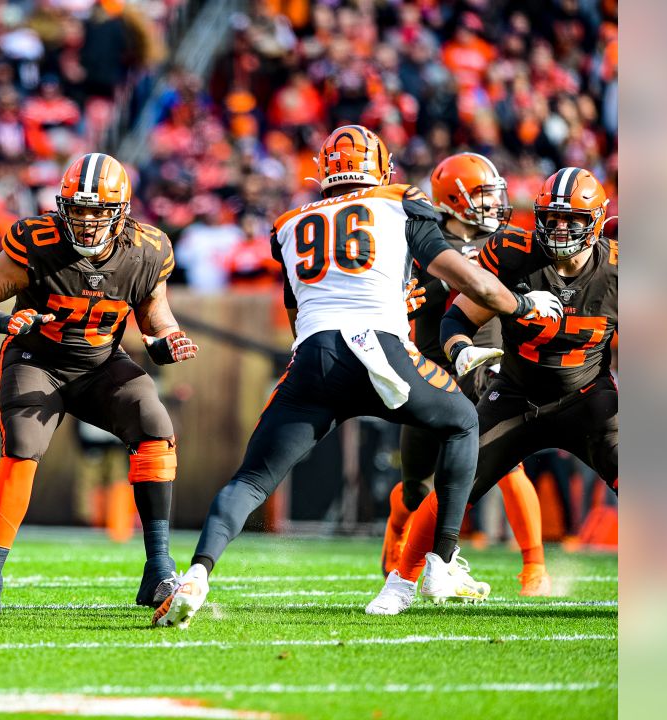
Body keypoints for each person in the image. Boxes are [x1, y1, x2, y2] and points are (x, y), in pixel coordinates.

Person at [153, 126, 564, 628]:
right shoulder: (398, 202)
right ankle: (441, 562)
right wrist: (522, 303)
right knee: (461, 423)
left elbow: (297, 308)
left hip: (314, 358)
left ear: (324, 171)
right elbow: (471, 280)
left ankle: (197, 573)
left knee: (252, 479)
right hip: (378, 350)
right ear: (380, 169)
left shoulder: (287, 224)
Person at [0, 152, 198, 617]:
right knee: (22, 445)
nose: (85, 222)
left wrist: (167, 340)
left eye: (97, 211)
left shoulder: (148, 249)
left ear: (120, 211)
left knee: (154, 426)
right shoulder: (37, 241)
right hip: (36, 359)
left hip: (101, 363)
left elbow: (154, 315)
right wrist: (6, 320)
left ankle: (159, 567)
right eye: (77, 210)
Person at [368, 167, 617, 615]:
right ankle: (400, 583)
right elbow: (457, 319)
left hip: (588, 399)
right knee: (451, 482)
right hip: (516, 396)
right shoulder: (513, 252)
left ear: (596, 220)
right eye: (552, 218)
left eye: (571, 220)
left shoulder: (619, 269)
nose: (559, 230)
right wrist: (461, 349)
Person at [383, 152, 551, 596]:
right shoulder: (422, 243)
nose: (494, 204)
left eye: (494, 195)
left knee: (508, 466)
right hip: (430, 372)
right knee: (416, 486)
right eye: (482, 195)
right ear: (454, 198)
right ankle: (397, 539)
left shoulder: (507, 246)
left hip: (487, 370)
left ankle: (534, 567)